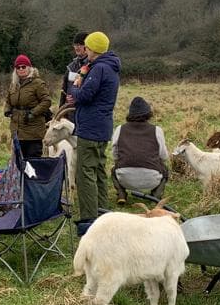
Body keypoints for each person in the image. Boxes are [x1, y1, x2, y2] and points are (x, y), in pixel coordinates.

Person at [66, 31, 121, 222]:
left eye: (87, 47)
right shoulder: (111, 67)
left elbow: (84, 95)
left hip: (90, 128)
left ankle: (89, 218)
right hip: (102, 128)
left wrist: (74, 89)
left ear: (94, 49)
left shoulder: (98, 69)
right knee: (98, 171)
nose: (85, 50)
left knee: (85, 173)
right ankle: (103, 212)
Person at [111, 96, 169, 204]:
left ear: (130, 113)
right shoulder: (157, 130)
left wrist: (119, 160)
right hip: (152, 179)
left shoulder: (120, 129)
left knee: (113, 170)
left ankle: (121, 194)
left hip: (124, 178)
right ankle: (156, 196)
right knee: (165, 171)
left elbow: (114, 152)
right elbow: (164, 156)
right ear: (148, 113)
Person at [4, 54, 52, 158]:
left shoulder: (38, 83)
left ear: (29, 67)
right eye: (18, 67)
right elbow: (8, 100)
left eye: (23, 66)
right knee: (18, 163)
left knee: (32, 164)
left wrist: (33, 113)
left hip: (33, 132)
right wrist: (7, 110)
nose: (21, 69)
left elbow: (47, 101)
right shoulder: (14, 84)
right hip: (17, 131)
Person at [59, 31, 89, 109]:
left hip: (84, 110)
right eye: (75, 44)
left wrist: (77, 98)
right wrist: (65, 99)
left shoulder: (93, 66)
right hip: (69, 111)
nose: (76, 47)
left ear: (87, 46)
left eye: (80, 44)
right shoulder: (71, 67)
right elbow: (64, 90)